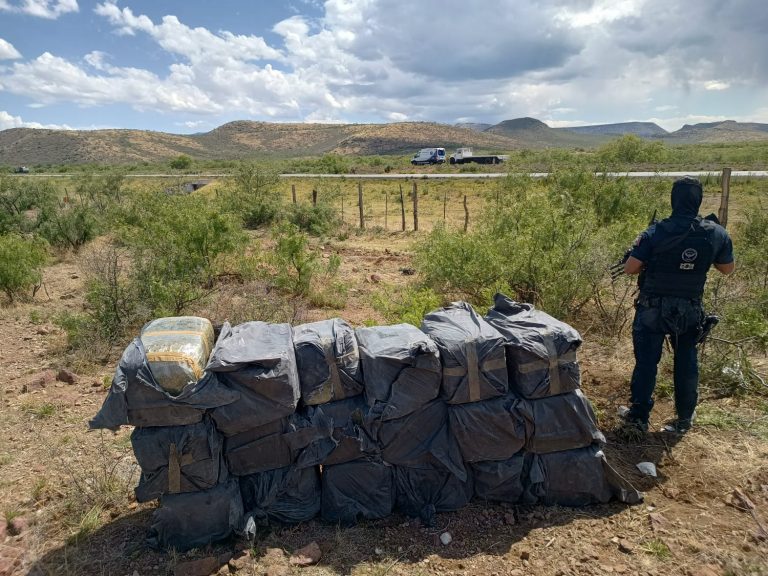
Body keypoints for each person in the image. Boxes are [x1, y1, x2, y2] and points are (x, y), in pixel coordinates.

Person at [622, 176, 734, 435]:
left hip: (653, 309)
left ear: (674, 200)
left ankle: (638, 418)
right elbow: (727, 269)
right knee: (686, 361)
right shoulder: (715, 232)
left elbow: (630, 268)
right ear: (699, 201)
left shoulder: (657, 231)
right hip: (689, 310)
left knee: (647, 363)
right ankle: (684, 419)